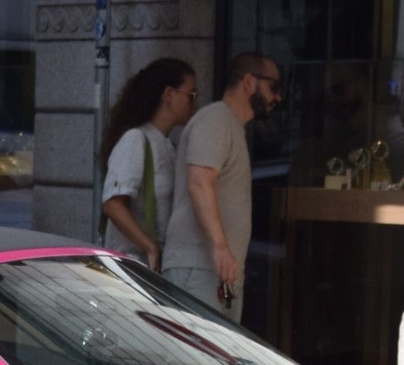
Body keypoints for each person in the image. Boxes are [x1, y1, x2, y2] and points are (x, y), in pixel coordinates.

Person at [163, 52, 281, 323]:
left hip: (211, 272)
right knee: (195, 362)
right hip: (199, 268)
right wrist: (220, 249)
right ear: (249, 82)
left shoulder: (227, 124)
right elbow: (199, 181)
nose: (278, 97)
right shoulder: (216, 119)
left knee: (209, 363)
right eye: (274, 87)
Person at [97, 58, 196, 268]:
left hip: (151, 267)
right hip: (131, 267)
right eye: (191, 95)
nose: (195, 104)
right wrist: (150, 247)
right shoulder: (136, 139)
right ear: (169, 95)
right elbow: (113, 204)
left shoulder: (168, 146)